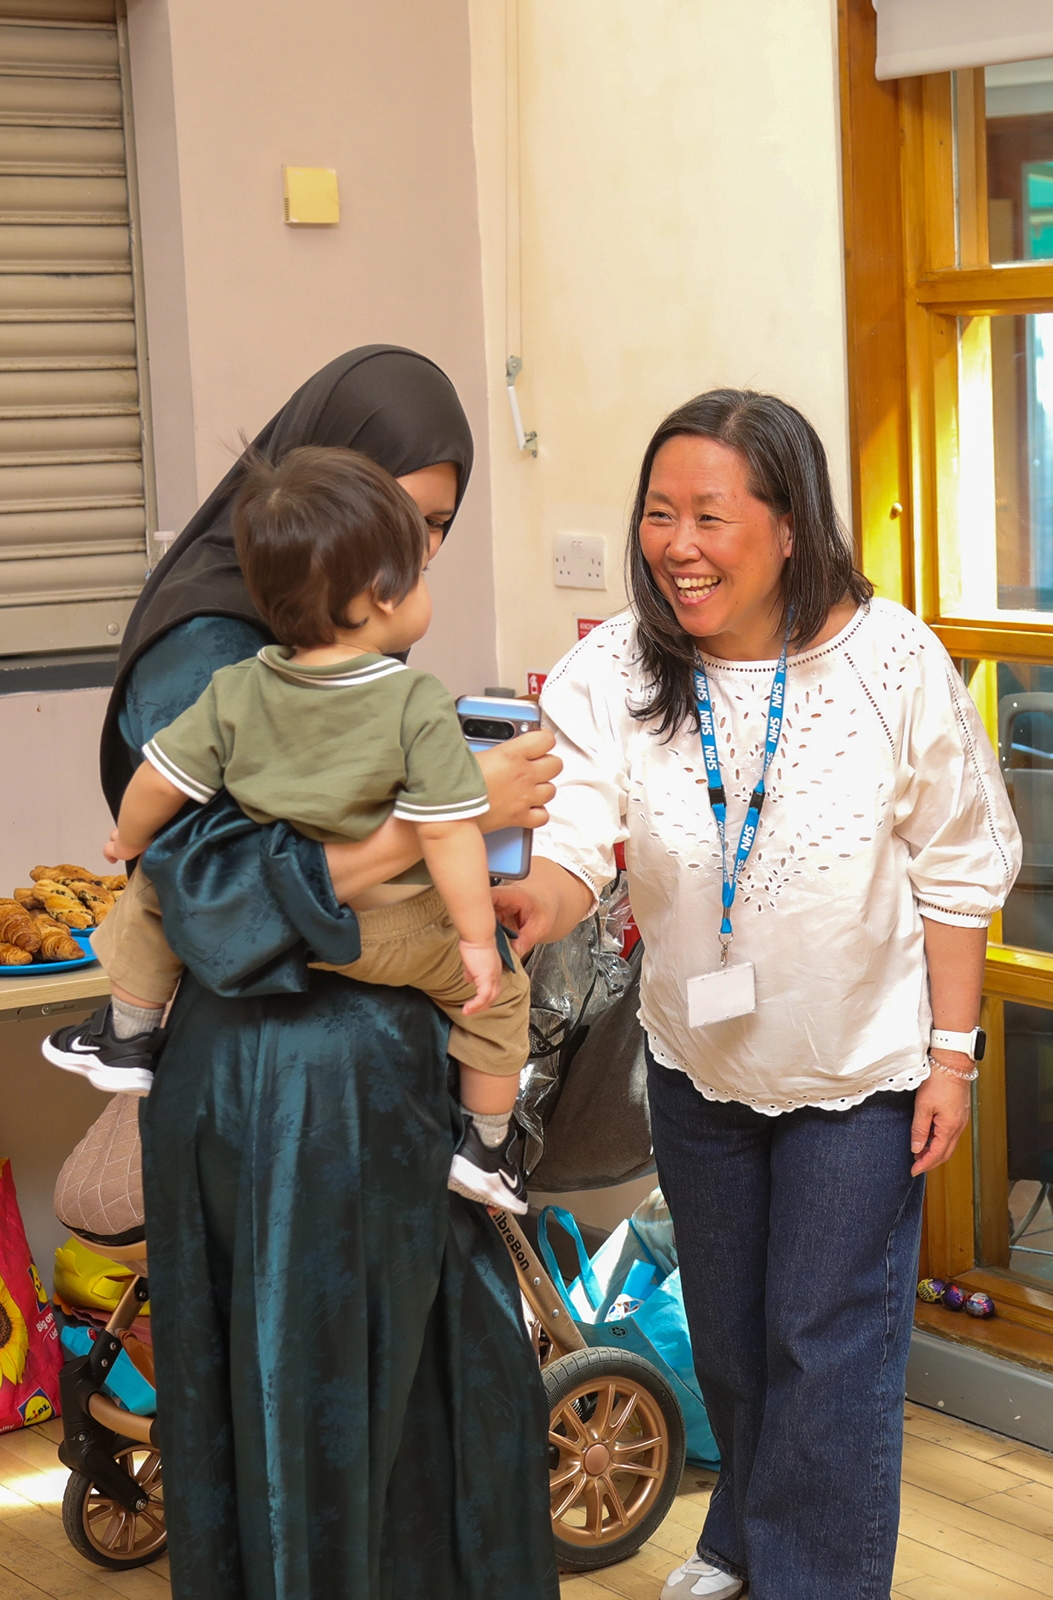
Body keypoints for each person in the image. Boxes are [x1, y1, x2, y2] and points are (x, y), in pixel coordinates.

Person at [492, 389, 1021, 1600]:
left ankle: (810, 1578)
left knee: (821, 1344)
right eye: (657, 513)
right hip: (699, 1061)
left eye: (710, 517)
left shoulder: (886, 663)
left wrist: (949, 1057)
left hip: (861, 1070)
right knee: (731, 1333)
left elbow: (954, 868)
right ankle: (738, 1537)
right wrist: (536, 904)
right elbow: (577, 825)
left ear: (788, 526)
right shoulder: (624, 664)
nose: (676, 545)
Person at [91, 347, 561, 1600]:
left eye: (435, 530)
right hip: (284, 1095)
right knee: (318, 1419)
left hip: (371, 1085)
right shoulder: (207, 650)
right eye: (399, 521)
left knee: (431, 1402)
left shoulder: (313, 638)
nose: (412, 557)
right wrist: (440, 820)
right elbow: (212, 890)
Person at [46, 447, 530, 1211]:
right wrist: (476, 940)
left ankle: (128, 1035)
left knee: (154, 893)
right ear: (380, 595)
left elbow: (159, 781)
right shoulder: (415, 702)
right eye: (422, 571)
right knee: (500, 1002)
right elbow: (446, 834)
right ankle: (487, 1147)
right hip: (385, 936)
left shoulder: (236, 687)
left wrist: (128, 843)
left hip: (286, 941)